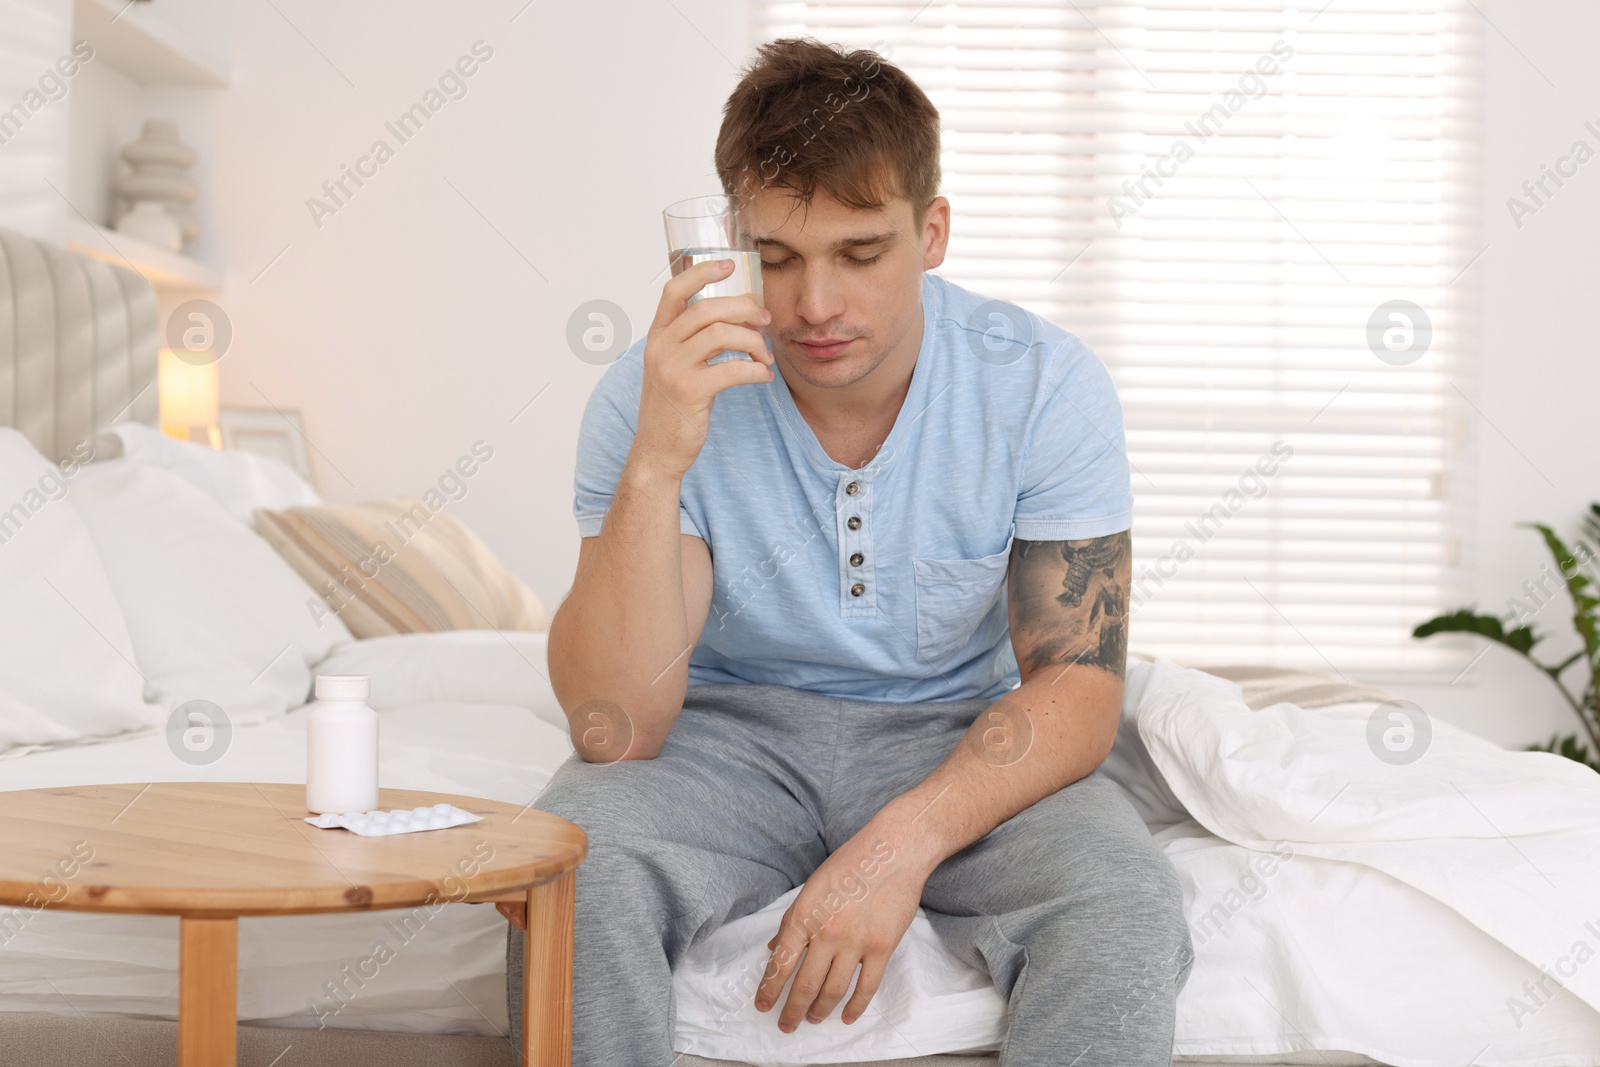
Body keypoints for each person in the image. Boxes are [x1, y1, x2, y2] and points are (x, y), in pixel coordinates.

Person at [507, 36, 1192, 1067]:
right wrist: (658, 457)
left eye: (860, 253)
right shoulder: (649, 396)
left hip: (963, 731)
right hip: (723, 741)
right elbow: (617, 725)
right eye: (775, 259)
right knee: (568, 871)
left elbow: (1078, 683)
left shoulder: (1042, 382)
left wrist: (900, 843)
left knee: (1122, 899)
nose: (814, 306)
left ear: (932, 232)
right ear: (730, 244)